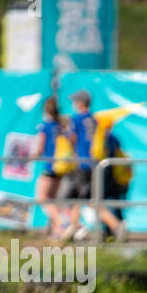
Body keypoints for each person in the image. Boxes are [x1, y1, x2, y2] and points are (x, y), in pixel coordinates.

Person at [55, 90, 96, 241]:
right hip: (93, 163)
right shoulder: (93, 119)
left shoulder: (77, 119)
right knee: (83, 198)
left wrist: (64, 134)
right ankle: (75, 227)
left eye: (75, 101)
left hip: (80, 163)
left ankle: (78, 227)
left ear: (80, 103)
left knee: (67, 198)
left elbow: (72, 138)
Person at [32, 97, 65, 239]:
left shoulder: (45, 126)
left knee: (42, 198)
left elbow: (39, 149)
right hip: (61, 167)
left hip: (49, 167)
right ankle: (56, 232)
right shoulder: (61, 126)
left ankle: (61, 222)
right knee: (53, 200)